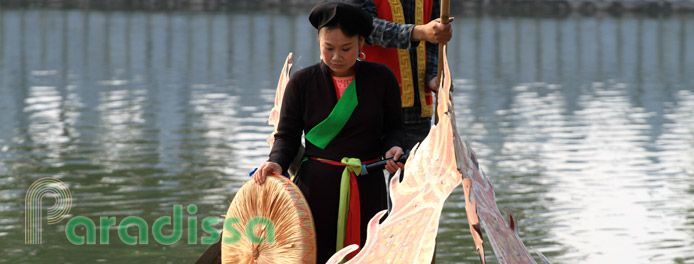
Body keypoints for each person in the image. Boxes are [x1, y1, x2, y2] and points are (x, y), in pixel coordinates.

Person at [252, 2, 405, 262]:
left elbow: (394, 129)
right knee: (315, 254)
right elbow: (287, 136)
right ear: (318, 44)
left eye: (346, 49)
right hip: (316, 188)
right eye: (328, 48)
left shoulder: (382, 78)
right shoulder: (302, 83)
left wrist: (394, 148)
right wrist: (275, 162)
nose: (336, 56)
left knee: (367, 253)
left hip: (367, 183)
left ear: (361, 44)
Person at [352, 0, 453, 153]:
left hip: (417, 112)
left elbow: (433, 43)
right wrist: (418, 32)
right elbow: (365, 27)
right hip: (372, 104)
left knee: (416, 173)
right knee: (367, 171)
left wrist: (433, 77)